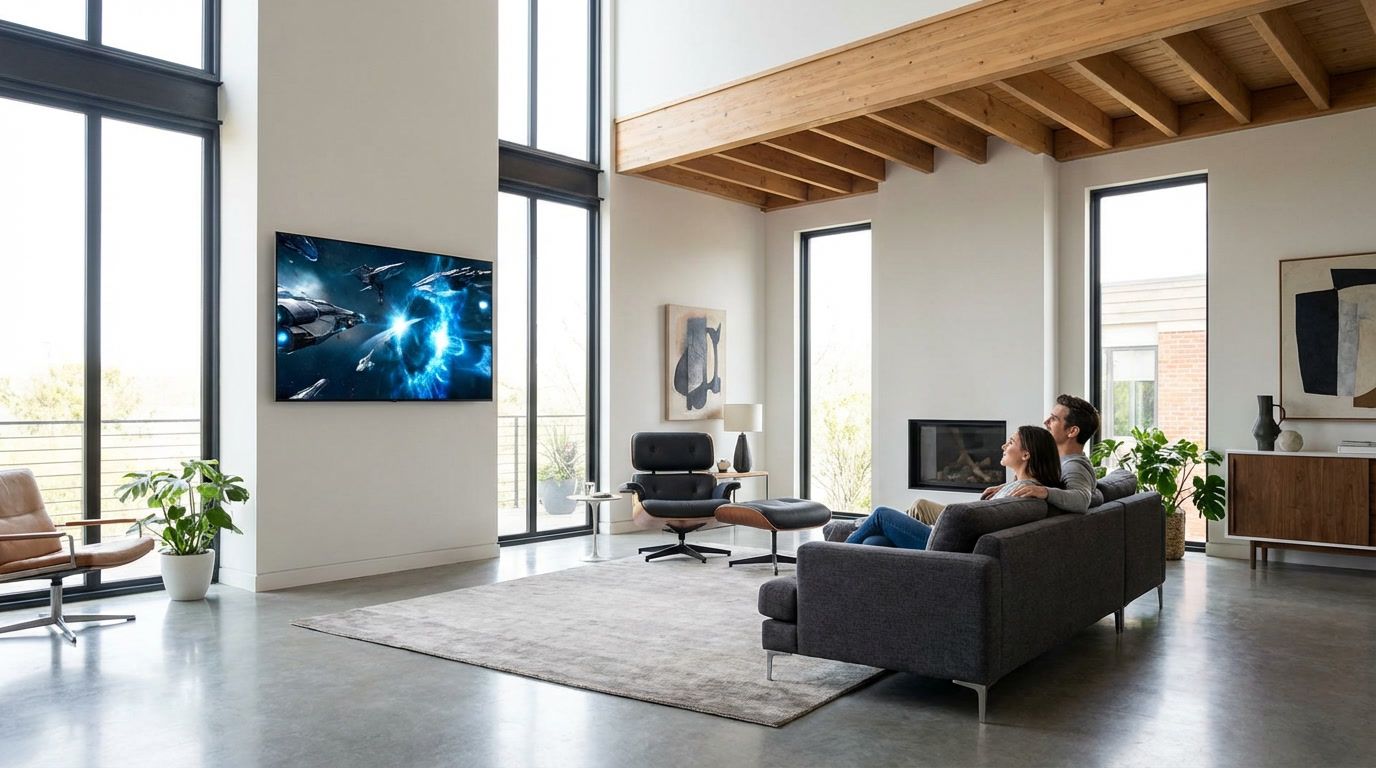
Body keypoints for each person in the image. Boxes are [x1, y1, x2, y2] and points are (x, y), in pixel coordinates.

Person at [846, 425, 1062, 550]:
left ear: (1026, 455)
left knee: (881, 515)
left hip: (941, 549)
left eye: (1011, 442)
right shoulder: (1023, 488)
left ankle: (826, 556)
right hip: (950, 547)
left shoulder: (1023, 492)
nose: (1004, 446)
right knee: (874, 542)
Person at [984, 394, 1101, 514]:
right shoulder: (1060, 461)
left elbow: (1082, 500)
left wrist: (1044, 492)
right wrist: (1008, 487)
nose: (1045, 422)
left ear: (1072, 431)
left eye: (1054, 419)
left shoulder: (1073, 466)